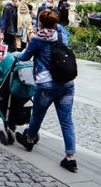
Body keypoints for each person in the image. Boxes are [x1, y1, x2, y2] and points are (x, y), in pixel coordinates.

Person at [13, 10, 78, 173]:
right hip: (66, 82)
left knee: (37, 115)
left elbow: (25, 57)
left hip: (46, 84)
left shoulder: (38, 40)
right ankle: (70, 157)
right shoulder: (62, 35)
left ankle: (29, 139)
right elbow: (65, 34)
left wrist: (16, 56)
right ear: (55, 22)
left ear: (40, 23)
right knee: (66, 120)